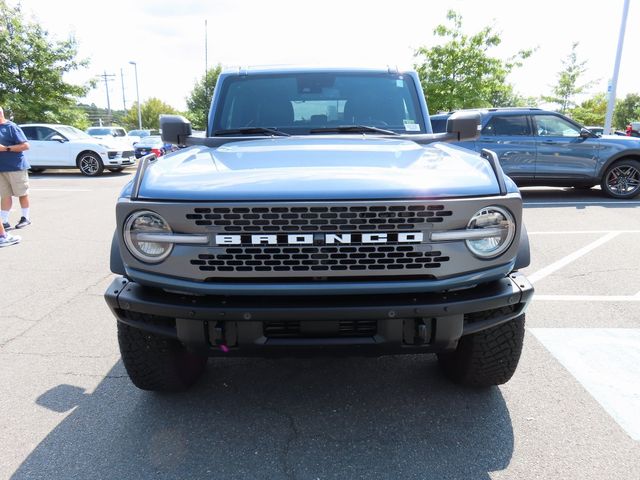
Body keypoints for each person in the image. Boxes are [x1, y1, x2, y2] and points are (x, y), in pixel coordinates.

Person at [0, 106, 31, 230]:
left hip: (16, 167)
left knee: (21, 193)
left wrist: (6, 148)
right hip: (1, 169)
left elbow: (26, 145)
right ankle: (4, 221)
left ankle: (26, 218)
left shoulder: (11, 127)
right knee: (5, 195)